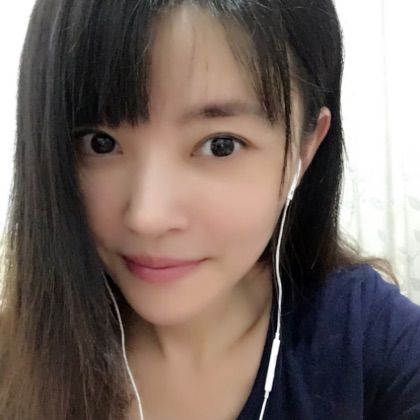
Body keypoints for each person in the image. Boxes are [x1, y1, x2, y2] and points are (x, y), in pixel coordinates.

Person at [0, 0, 419, 419]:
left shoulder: (374, 345)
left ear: (304, 150)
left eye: (221, 145)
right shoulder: (13, 362)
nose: (148, 217)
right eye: (101, 143)